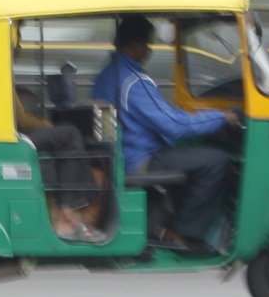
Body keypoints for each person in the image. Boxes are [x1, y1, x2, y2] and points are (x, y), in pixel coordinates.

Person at [91, 14, 239, 253]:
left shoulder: (109, 74)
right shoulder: (132, 80)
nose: (149, 51)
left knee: (192, 155)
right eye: (147, 44)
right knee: (217, 161)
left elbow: (163, 116)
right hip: (138, 159)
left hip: (124, 154)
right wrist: (222, 117)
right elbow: (173, 126)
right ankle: (183, 232)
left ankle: (169, 224)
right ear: (135, 45)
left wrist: (196, 116)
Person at [14, 48, 108, 244]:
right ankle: (66, 217)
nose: (19, 47)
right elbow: (22, 120)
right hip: (15, 139)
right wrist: (48, 126)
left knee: (68, 137)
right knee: (70, 134)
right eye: (16, 41)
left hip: (15, 135)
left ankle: (69, 213)